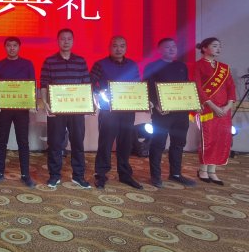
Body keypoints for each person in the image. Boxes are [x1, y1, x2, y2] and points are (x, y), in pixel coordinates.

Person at [40, 28, 91, 189]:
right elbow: (43, 85)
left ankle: (78, 176)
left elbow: (86, 85)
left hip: (76, 110)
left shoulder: (81, 61)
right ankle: (54, 176)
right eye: (63, 39)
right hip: (56, 110)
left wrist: (89, 105)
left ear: (73, 41)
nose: (66, 41)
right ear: (58, 41)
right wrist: (45, 103)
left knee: (78, 143)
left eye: (69, 39)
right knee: (55, 144)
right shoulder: (49, 61)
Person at [90, 36, 143, 190]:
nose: (118, 49)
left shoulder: (132, 65)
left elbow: (137, 85)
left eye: (122, 46)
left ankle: (125, 175)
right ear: (109, 47)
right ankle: (101, 174)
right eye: (115, 46)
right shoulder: (100, 64)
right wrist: (100, 92)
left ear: (126, 48)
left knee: (125, 143)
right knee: (105, 143)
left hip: (127, 109)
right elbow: (90, 83)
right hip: (108, 110)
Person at [143, 38, 196, 188]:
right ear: (159, 50)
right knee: (158, 143)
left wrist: (192, 103)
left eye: (174, 46)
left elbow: (186, 87)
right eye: (167, 47)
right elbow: (147, 87)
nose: (172, 49)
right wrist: (155, 104)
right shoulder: (152, 66)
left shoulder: (181, 66)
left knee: (178, 143)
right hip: (162, 113)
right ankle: (155, 176)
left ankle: (175, 174)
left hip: (181, 113)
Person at [0, 37, 37, 188]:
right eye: (9, 45)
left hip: (22, 110)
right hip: (3, 110)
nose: (12, 48)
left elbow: (32, 85)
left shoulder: (27, 64)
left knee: (23, 142)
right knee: (1, 141)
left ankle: (25, 175)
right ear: (5, 47)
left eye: (14, 45)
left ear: (19, 47)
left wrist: (32, 103)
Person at [194, 37, 236, 185]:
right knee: (208, 139)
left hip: (224, 110)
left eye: (219, 46)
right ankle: (203, 169)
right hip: (208, 109)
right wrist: (213, 107)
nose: (218, 48)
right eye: (214, 46)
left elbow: (231, 87)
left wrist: (228, 106)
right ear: (204, 48)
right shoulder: (198, 66)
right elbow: (198, 88)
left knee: (221, 139)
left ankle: (212, 171)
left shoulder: (224, 68)